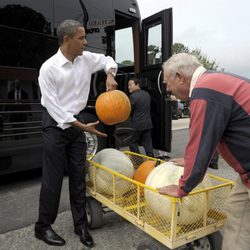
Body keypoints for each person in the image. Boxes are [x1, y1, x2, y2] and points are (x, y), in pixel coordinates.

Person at [35, 19, 118, 247]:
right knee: (52, 180)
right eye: (81, 38)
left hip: (77, 122)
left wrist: (110, 74)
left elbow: (107, 60)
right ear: (66, 39)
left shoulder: (85, 59)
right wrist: (79, 126)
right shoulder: (48, 68)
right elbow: (53, 106)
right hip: (55, 124)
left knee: (79, 176)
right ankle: (43, 227)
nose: (85, 42)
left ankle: (80, 224)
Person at [157, 53, 250, 250]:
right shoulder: (214, 82)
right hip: (247, 175)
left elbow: (200, 142)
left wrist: (183, 188)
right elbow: (214, 136)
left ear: (180, 77)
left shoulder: (205, 91)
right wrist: (198, 161)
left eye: (167, 83)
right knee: (237, 209)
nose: (167, 88)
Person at [128, 77, 154, 157]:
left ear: (137, 84)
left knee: (132, 143)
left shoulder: (133, 97)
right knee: (148, 144)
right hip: (148, 124)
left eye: (130, 85)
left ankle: (138, 161)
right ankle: (152, 161)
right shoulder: (147, 94)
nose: (129, 87)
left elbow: (130, 111)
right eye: (128, 85)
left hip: (137, 125)